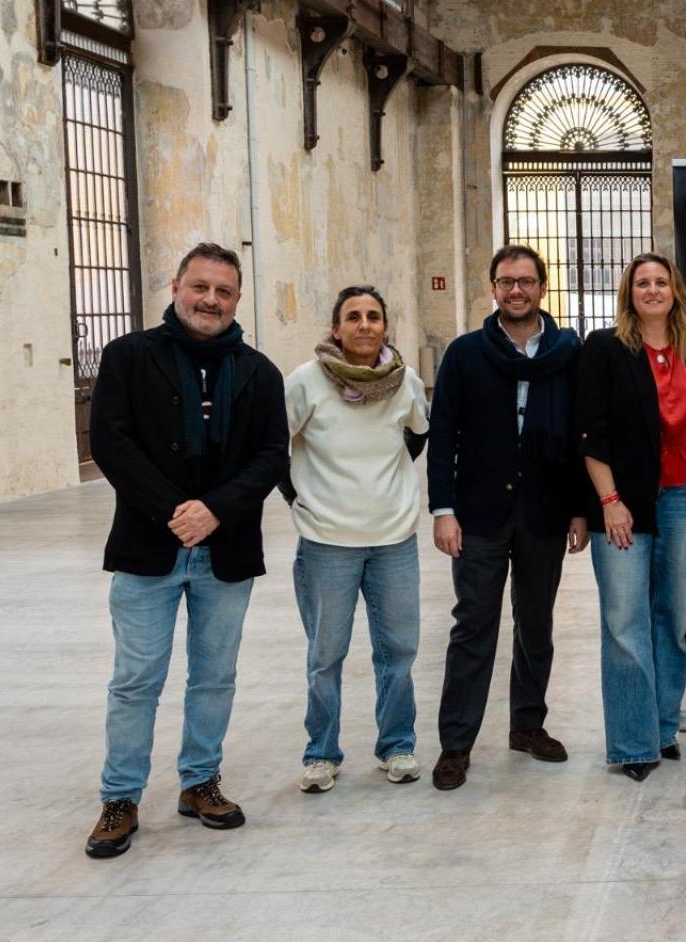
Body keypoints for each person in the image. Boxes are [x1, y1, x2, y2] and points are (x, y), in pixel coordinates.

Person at [84, 242, 287, 858]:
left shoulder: (259, 370)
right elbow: (111, 444)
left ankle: (200, 782)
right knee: (136, 678)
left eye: (223, 292)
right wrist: (177, 511)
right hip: (149, 547)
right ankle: (120, 797)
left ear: (237, 299)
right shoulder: (128, 357)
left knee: (214, 677)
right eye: (200, 287)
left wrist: (216, 510)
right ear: (176, 286)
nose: (210, 300)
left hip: (225, 553)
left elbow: (272, 455)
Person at [427, 244, 590, 791]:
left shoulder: (569, 352)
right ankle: (456, 744)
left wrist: (579, 509)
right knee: (474, 626)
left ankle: (528, 726)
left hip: (544, 511)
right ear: (493, 288)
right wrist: (443, 510)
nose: (515, 290)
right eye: (505, 281)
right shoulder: (465, 353)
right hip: (478, 513)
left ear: (543, 287)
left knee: (536, 624)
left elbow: (578, 436)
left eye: (525, 280)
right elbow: (442, 435)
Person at [578, 253, 686, 782]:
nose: (653, 289)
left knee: (673, 617)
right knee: (624, 621)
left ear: (675, 290)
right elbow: (590, 431)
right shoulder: (605, 347)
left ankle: (663, 728)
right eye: (642, 282)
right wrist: (609, 501)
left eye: (661, 281)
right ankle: (633, 743)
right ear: (628, 293)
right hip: (624, 501)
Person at [281, 286, 430, 793]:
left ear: (385, 327)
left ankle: (398, 746)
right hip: (327, 542)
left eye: (373, 317)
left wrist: (388, 485)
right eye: (353, 317)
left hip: (393, 540)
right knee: (326, 654)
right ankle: (321, 753)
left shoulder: (405, 381)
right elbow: (274, 444)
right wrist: (301, 496)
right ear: (336, 328)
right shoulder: (305, 382)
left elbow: (417, 433)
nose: (364, 325)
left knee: (399, 650)